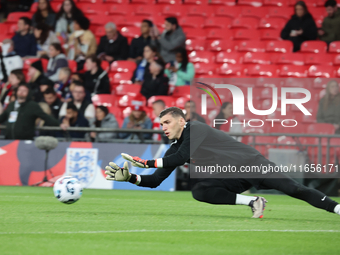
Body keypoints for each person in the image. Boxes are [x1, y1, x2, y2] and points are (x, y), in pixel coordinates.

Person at [105, 107, 340, 219]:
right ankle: (253, 201)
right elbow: (156, 181)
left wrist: (145, 162)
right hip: (232, 176)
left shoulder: (195, 128)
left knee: (294, 190)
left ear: (181, 121)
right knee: (200, 190)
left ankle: (337, 208)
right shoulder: (175, 146)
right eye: (161, 124)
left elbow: (179, 159)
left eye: (167, 122)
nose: (163, 127)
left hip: (252, 165)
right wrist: (131, 178)